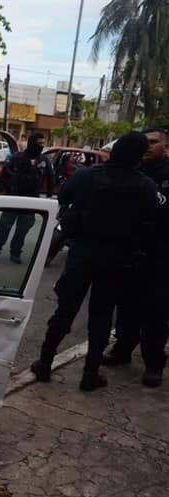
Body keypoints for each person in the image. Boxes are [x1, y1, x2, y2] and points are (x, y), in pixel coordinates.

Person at [30, 132, 157, 391]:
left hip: (82, 254)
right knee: (100, 318)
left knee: (64, 311)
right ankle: (90, 374)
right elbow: (150, 222)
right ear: (138, 156)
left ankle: (44, 363)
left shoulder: (86, 176)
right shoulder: (145, 186)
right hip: (117, 260)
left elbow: (63, 198)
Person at [104, 126, 169, 387]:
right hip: (130, 252)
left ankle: (154, 364)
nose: (148, 147)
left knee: (155, 312)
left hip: (160, 256)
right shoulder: (131, 172)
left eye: (154, 142)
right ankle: (122, 350)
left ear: (165, 146)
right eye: (145, 142)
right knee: (126, 305)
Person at [0, 132, 55, 263]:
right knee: (4, 227)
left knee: (22, 230)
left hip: (31, 202)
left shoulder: (44, 160)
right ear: (32, 143)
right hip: (13, 199)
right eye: (39, 143)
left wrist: (49, 195)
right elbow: (4, 175)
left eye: (43, 144)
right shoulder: (16, 158)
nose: (41, 146)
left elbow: (51, 178)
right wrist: (0, 191)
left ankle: (15, 253)